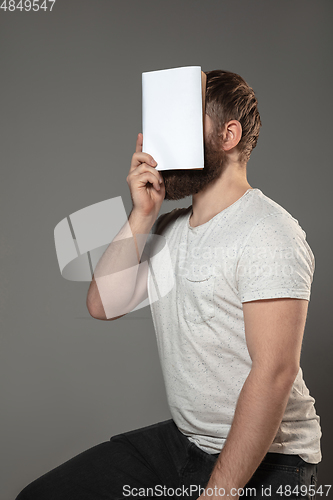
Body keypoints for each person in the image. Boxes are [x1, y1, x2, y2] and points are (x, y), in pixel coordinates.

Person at [16, 70, 321, 499]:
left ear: (228, 135)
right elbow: (104, 303)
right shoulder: (170, 228)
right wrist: (142, 214)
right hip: (185, 443)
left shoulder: (268, 232)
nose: (159, 146)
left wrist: (218, 494)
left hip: (273, 461)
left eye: (182, 125)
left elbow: (274, 373)